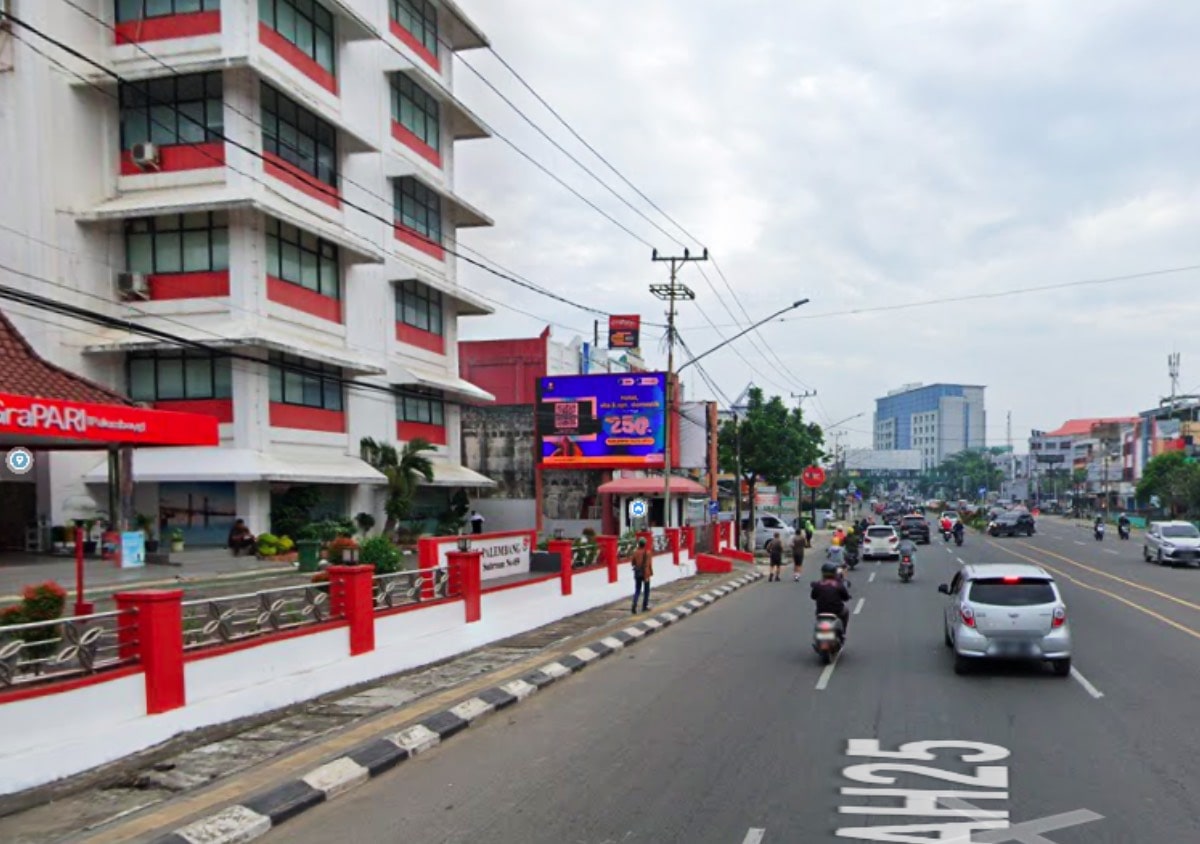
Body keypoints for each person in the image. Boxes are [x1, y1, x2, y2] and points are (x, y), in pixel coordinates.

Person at [811, 561, 852, 635]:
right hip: (837, 611)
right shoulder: (839, 585)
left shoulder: (818, 584)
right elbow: (845, 597)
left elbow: (813, 596)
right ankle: (843, 631)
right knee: (846, 611)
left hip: (821, 611)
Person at [630, 537, 654, 613]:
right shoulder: (647, 552)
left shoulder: (635, 552)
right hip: (645, 573)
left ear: (639, 544)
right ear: (645, 544)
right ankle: (645, 606)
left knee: (637, 589)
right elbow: (648, 564)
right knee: (646, 590)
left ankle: (634, 603)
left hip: (637, 572)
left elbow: (632, 563)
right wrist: (650, 573)